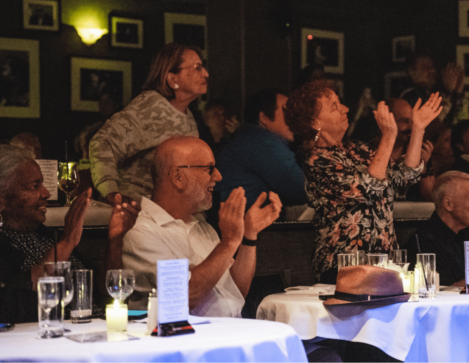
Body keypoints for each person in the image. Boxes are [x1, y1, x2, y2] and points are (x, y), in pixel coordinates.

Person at [0, 145, 137, 323]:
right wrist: (67, 243)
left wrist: (115, 240)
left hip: (92, 331)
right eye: (34, 186)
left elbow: (109, 295)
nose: (46, 193)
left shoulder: (40, 233)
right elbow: (2, 309)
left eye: (43, 184)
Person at [285, 80, 442, 283]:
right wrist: (388, 137)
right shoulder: (318, 162)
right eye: (335, 106)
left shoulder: (359, 150)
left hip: (385, 262)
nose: (345, 109)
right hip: (345, 266)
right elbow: (368, 186)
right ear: (315, 123)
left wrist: (419, 129)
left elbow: (405, 175)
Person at [122, 136, 281, 315]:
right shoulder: (142, 233)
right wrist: (229, 242)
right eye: (209, 169)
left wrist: (249, 236)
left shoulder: (202, 228)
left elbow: (237, 292)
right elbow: (186, 295)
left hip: (229, 327)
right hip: (190, 333)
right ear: (178, 176)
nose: (218, 176)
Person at [89, 43, 205, 205]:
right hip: (137, 210)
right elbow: (102, 142)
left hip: (167, 211)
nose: (205, 74)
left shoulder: (187, 115)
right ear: (173, 79)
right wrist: (111, 192)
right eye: (197, 68)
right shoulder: (151, 106)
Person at [216, 89, 307, 208]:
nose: (294, 118)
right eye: (286, 112)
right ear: (264, 118)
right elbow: (303, 190)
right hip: (240, 218)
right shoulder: (262, 141)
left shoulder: (250, 137)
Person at [400, 54, 467, 125]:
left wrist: (458, 94)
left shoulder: (431, 94)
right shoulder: (410, 96)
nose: (432, 71)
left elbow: (461, 122)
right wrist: (447, 92)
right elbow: (430, 126)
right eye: (425, 67)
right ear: (412, 72)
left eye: (432, 67)